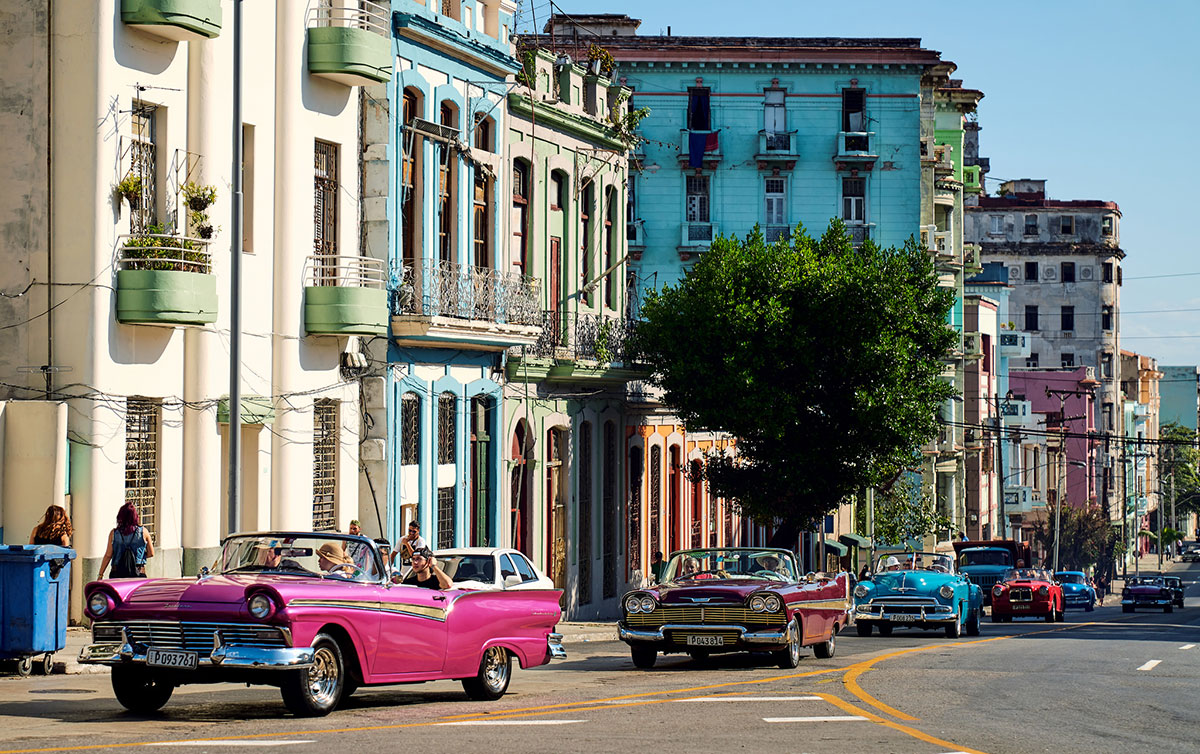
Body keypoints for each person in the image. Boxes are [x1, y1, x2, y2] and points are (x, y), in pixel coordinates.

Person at [98, 502, 154, 579]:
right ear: (135, 516)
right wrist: (139, 557)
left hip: (117, 573)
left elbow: (108, 555)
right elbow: (151, 553)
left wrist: (100, 574)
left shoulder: (114, 533)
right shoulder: (144, 532)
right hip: (138, 573)